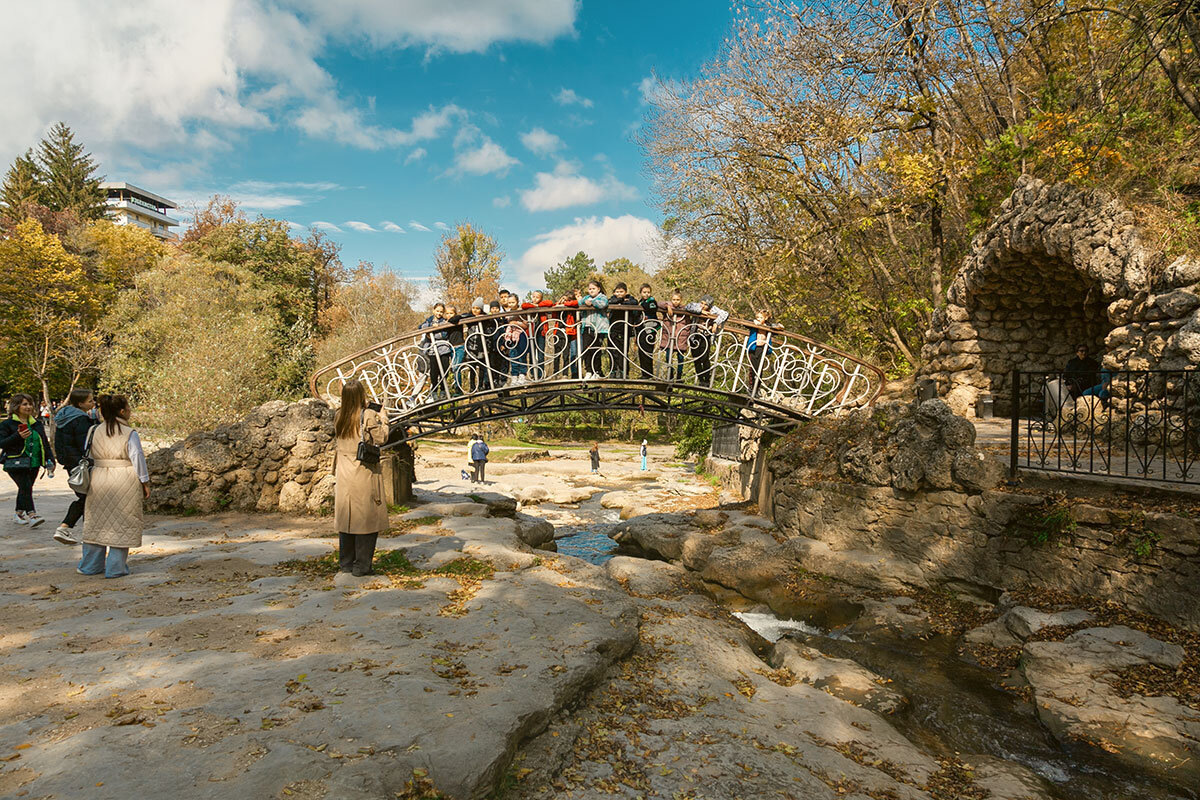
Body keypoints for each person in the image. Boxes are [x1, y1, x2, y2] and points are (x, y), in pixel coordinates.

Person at [78, 394, 148, 579]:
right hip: (125, 477)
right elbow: (138, 459)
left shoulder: (93, 430)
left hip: (99, 478)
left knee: (96, 522)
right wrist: (145, 482)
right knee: (122, 522)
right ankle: (115, 568)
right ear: (123, 411)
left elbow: (89, 454)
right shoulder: (129, 433)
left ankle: (90, 566)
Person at [332, 379, 388, 577]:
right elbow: (382, 438)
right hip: (363, 471)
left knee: (347, 518)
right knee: (367, 519)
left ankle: (346, 563)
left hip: (344, 472)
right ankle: (362, 566)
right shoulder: (369, 416)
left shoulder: (339, 415)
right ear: (361, 395)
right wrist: (384, 418)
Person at [53, 388, 100, 545]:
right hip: (81, 463)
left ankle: (88, 531)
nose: (94, 403)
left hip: (70, 462)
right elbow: (85, 444)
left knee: (85, 496)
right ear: (80, 403)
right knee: (87, 497)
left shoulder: (64, 417)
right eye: (90, 401)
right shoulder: (80, 420)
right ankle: (65, 527)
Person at [1, 394, 55, 527]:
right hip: (15, 462)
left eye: (30, 404)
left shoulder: (36, 424)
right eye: (24, 404)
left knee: (26, 488)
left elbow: (44, 443)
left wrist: (50, 459)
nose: (28, 407)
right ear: (16, 406)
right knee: (25, 486)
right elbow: (2, 443)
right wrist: (17, 436)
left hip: (34, 462)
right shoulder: (8, 424)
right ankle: (32, 515)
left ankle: (18, 513)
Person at [684, 295, 729, 387]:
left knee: (704, 358)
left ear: (710, 305)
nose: (703, 305)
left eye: (705, 305)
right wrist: (700, 311)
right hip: (695, 335)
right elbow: (687, 307)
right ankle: (701, 379)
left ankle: (707, 379)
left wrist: (716, 322)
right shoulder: (697, 306)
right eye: (702, 303)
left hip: (707, 336)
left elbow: (725, 314)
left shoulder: (714, 309)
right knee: (696, 358)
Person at [418, 303, 454, 400]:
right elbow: (421, 327)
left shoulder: (444, 321)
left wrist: (435, 329)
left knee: (444, 370)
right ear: (433, 311)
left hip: (444, 349)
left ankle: (442, 390)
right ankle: (433, 391)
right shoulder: (429, 320)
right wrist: (431, 327)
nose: (439, 313)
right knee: (434, 372)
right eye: (437, 311)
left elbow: (443, 335)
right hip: (433, 350)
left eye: (441, 312)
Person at [577, 279, 610, 380]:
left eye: (593, 289)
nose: (591, 291)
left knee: (596, 350)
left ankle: (597, 371)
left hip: (599, 329)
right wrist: (583, 300)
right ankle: (589, 371)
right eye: (590, 289)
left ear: (598, 289)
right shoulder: (587, 298)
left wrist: (592, 302)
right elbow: (579, 302)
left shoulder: (602, 297)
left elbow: (603, 304)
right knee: (587, 349)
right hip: (587, 327)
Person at [607, 282, 641, 379]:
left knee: (623, 351)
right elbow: (609, 302)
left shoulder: (630, 299)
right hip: (613, 329)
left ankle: (623, 371)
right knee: (612, 350)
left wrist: (621, 302)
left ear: (626, 292)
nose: (619, 294)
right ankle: (613, 370)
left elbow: (634, 303)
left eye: (621, 292)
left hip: (624, 329)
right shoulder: (612, 299)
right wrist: (619, 300)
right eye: (617, 292)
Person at [521, 290, 555, 380]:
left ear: (541, 298)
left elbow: (550, 303)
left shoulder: (542, 306)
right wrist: (534, 306)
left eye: (537, 297)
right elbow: (524, 305)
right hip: (531, 332)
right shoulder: (529, 306)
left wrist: (538, 306)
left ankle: (540, 374)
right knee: (532, 353)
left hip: (541, 332)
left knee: (540, 353)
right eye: (533, 296)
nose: (535, 298)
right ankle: (533, 373)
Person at [660, 290, 690, 382]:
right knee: (668, 356)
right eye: (673, 299)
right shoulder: (668, 307)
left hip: (681, 337)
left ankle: (679, 376)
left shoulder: (685, 309)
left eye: (677, 299)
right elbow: (658, 303)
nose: (675, 301)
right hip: (669, 337)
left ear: (681, 300)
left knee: (680, 358)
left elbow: (689, 324)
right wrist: (668, 306)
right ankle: (670, 373)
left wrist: (687, 336)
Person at [746, 309, 777, 396]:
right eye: (757, 317)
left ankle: (757, 388)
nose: (759, 319)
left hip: (762, 349)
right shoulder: (754, 324)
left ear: (766, 318)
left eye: (761, 317)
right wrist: (754, 321)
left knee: (760, 369)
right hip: (754, 348)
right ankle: (751, 387)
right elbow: (745, 323)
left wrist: (779, 326)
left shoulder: (768, 326)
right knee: (753, 368)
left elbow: (777, 329)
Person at [554, 292, 580, 379]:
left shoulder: (571, 308)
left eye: (567, 300)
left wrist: (566, 303)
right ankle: (556, 373)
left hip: (568, 332)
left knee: (566, 354)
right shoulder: (558, 306)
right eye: (563, 299)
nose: (564, 301)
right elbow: (552, 305)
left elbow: (576, 303)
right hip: (557, 332)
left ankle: (565, 374)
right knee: (556, 354)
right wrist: (560, 302)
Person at [636, 284, 660, 379]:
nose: (646, 294)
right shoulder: (641, 302)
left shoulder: (652, 301)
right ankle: (644, 373)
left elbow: (652, 307)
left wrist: (642, 306)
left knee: (647, 351)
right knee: (641, 351)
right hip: (642, 329)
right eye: (644, 292)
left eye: (648, 292)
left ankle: (648, 374)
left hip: (650, 329)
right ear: (641, 293)